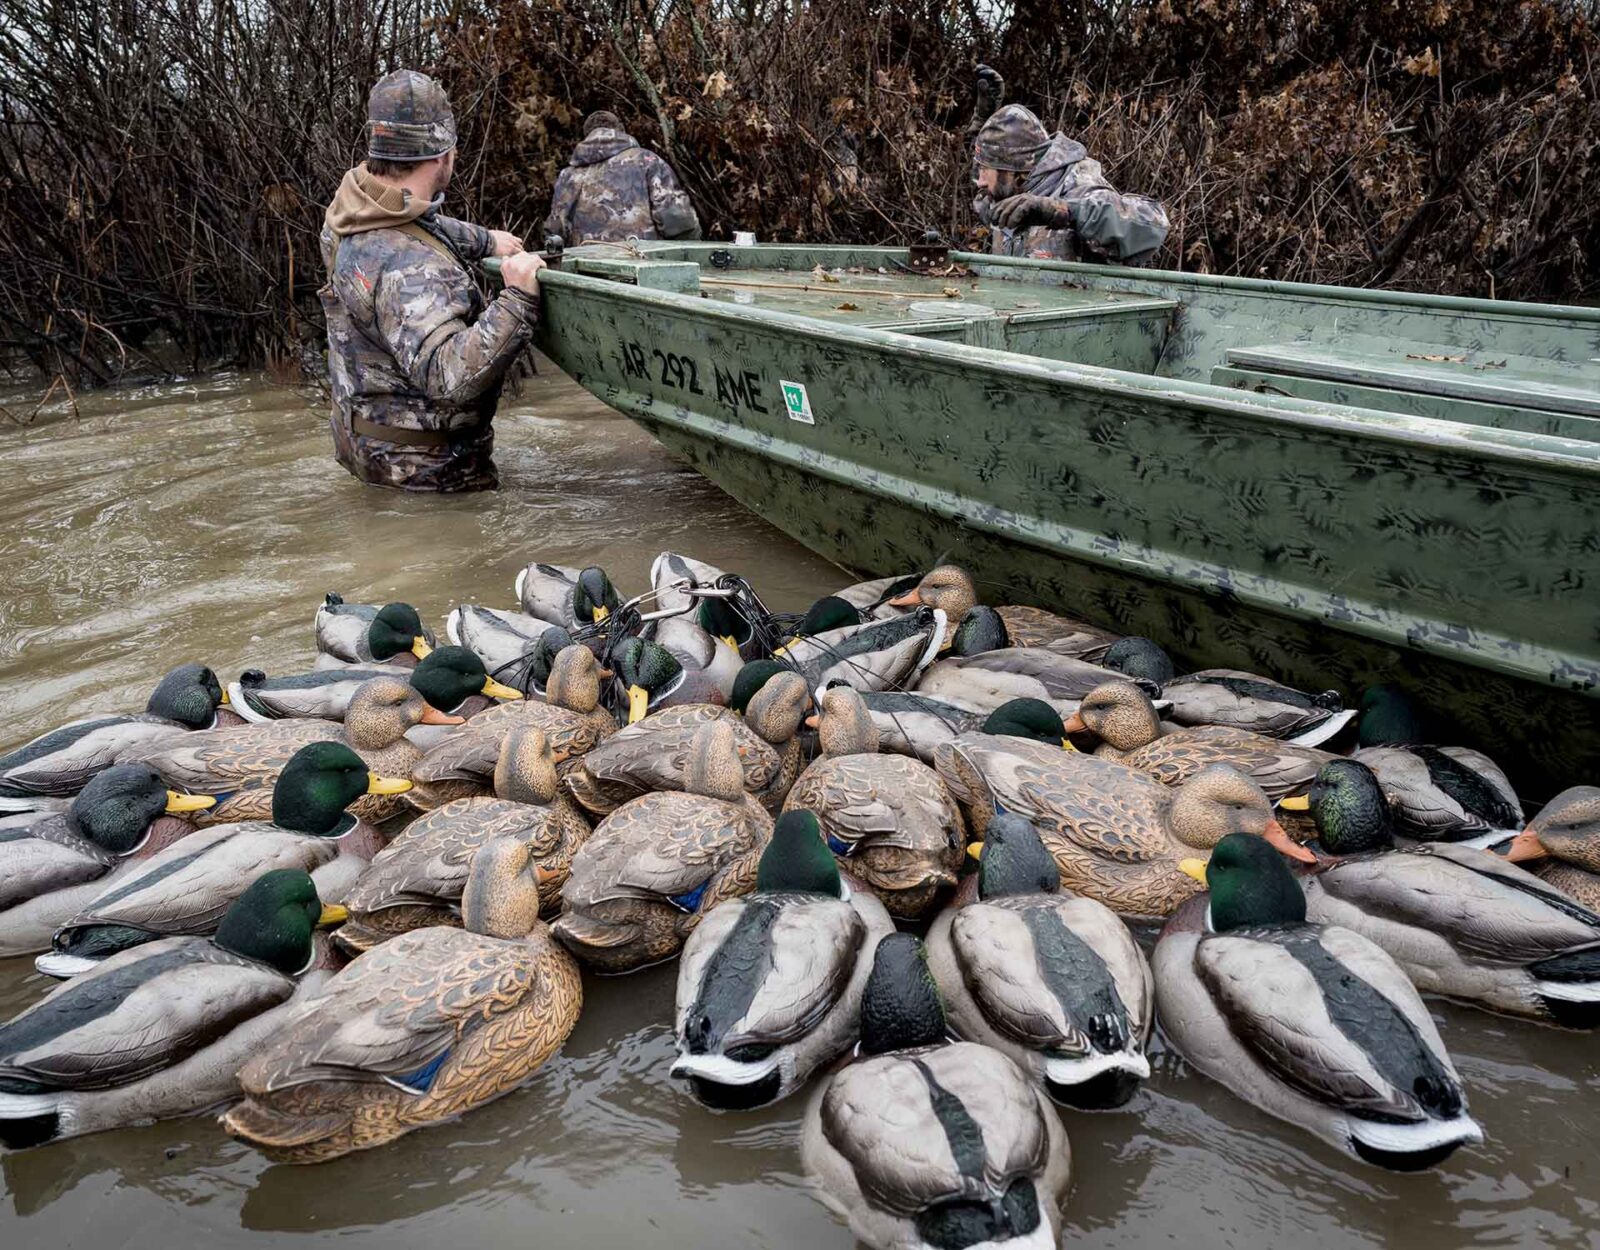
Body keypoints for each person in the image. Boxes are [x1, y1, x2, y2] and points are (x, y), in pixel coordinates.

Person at [320, 69, 545, 492]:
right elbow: (448, 379)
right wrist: (517, 298)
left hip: (367, 448)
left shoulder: (348, 214)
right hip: (431, 476)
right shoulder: (413, 266)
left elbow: (413, 220)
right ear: (444, 155)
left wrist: (484, 240)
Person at [970, 77, 1169, 267]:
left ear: (1017, 170)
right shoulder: (1003, 193)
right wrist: (984, 125)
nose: (979, 181)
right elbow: (985, 184)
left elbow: (1153, 224)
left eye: (986, 170)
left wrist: (1062, 211)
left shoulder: (1078, 187)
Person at [543, 110, 701, 245]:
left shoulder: (569, 175)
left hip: (587, 270)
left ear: (586, 137)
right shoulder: (647, 161)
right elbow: (678, 219)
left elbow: (555, 233)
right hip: (642, 268)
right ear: (621, 130)